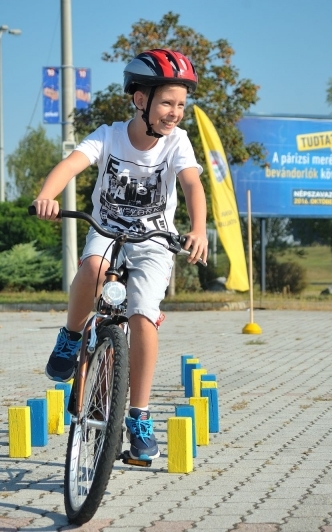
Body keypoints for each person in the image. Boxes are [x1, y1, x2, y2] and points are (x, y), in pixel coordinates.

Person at [31, 48, 208, 461]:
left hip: (154, 241)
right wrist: (47, 195)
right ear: (140, 99)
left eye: (181, 105)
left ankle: (139, 415)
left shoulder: (177, 142)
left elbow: (191, 184)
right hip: (106, 231)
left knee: (143, 314)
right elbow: (71, 165)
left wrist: (198, 229)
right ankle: (70, 337)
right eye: (166, 103)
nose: (175, 113)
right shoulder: (108, 136)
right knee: (93, 267)